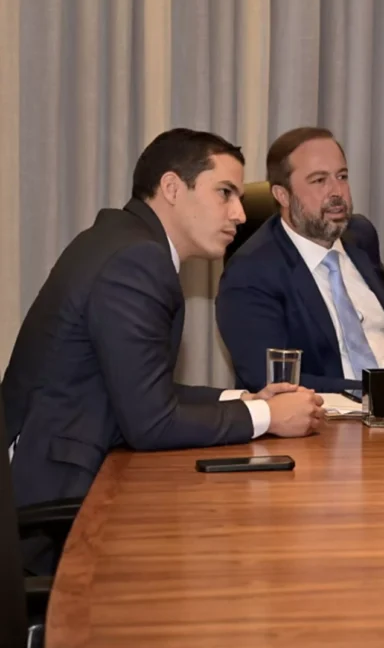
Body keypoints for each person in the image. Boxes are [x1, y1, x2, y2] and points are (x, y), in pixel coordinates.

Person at [3, 128, 325, 514]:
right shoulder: (136, 260)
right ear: (172, 188)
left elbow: (146, 391)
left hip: (71, 471)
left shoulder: (122, 240)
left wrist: (245, 399)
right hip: (54, 499)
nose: (239, 214)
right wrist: (268, 416)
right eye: (225, 193)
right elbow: (151, 423)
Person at [217, 127, 384, 394]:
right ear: (282, 195)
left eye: (342, 176)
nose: (336, 191)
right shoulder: (249, 273)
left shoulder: (359, 235)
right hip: (325, 422)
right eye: (319, 181)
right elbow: (271, 381)